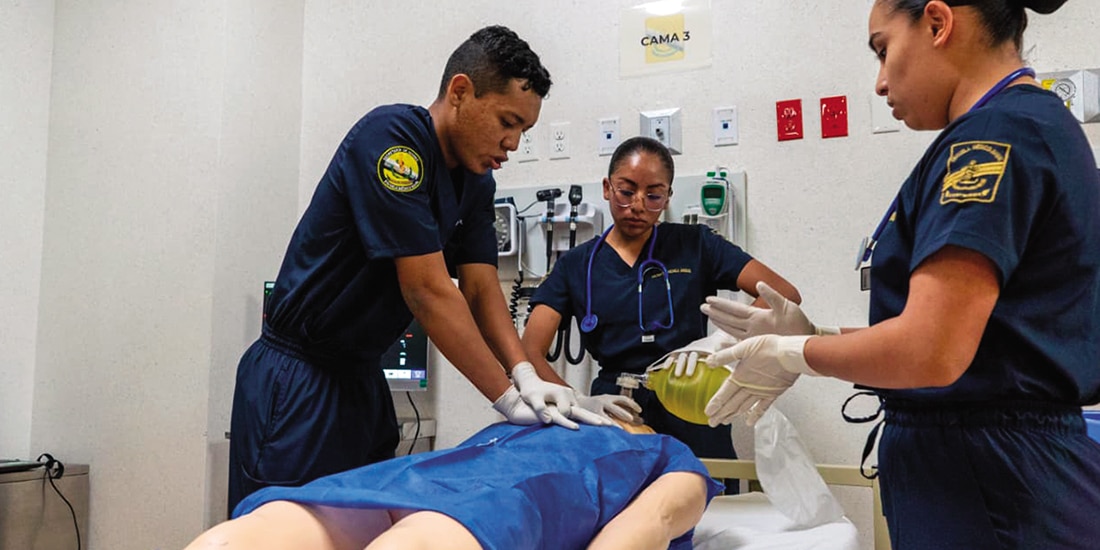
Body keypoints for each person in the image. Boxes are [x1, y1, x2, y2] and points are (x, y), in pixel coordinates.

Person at [701, 1, 1100, 547]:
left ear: (937, 23)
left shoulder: (992, 138)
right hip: (995, 468)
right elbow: (986, 341)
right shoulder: (1031, 124)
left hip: (990, 476)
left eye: (883, 50)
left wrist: (795, 354)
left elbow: (932, 349)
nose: (881, 83)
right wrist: (814, 335)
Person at [228, 25, 611, 515]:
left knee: (364, 528)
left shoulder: (476, 181)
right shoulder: (393, 142)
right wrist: (506, 398)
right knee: (281, 529)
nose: (513, 143)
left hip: (361, 382)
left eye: (524, 131)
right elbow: (427, 289)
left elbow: (480, 289)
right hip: (299, 379)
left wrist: (532, 378)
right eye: (507, 121)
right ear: (460, 92)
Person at [521, 136, 802, 464]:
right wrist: (577, 402)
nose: (638, 205)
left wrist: (721, 342)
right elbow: (529, 351)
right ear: (607, 188)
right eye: (626, 191)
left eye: (653, 195)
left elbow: (784, 295)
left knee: (707, 488)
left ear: (668, 197)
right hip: (617, 410)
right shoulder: (576, 265)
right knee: (626, 491)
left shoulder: (696, 244)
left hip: (691, 393)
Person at [187, 421, 723, 550]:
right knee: (245, 539)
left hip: (471, 505)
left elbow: (649, 524)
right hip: (411, 489)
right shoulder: (528, 421)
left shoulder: (672, 456)